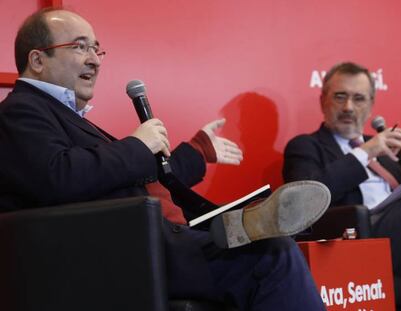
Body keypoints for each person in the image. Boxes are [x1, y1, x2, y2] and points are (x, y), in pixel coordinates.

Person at [0, 8, 331, 310]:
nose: (96, 60)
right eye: (80, 46)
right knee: (273, 257)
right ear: (37, 60)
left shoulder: (67, 117)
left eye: (97, 49)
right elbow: (59, 177)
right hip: (123, 253)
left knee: (273, 248)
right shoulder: (21, 110)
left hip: (153, 238)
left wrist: (196, 152)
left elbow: (133, 177)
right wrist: (137, 146)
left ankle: (231, 224)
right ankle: (232, 227)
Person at [283, 61, 401, 280]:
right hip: (357, 236)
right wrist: (364, 153)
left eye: (359, 98)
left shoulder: (390, 149)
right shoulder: (305, 146)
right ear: (323, 100)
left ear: (371, 105)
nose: (349, 108)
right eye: (340, 96)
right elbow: (302, 201)